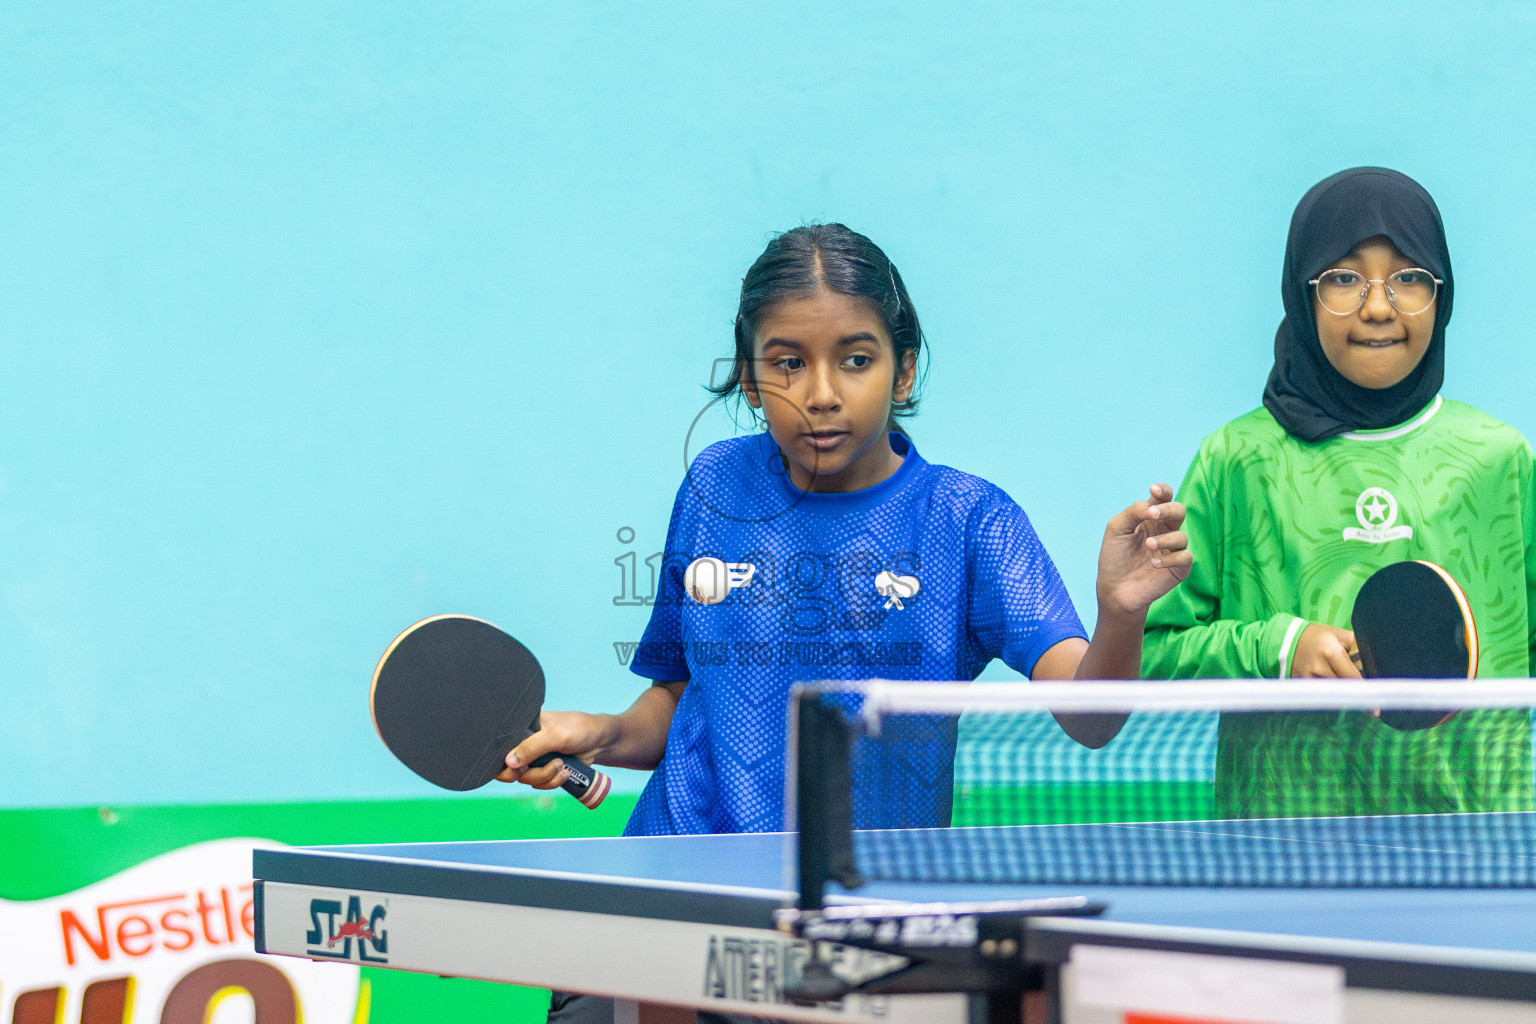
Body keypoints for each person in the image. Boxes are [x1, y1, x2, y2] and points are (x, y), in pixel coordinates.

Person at [508, 223, 1190, 1024]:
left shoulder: (967, 519)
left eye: (855, 359)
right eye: (788, 361)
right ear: (752, 380)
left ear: (903, 371)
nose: (820, 392)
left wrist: (1119, 615)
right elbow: (683, 700)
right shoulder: (714, 484)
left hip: (851, 925)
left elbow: (1092, 717)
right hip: (675, 889)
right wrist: (597, 734)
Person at [1143, 167, 1535, 818]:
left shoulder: (1502, 458)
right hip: (1282, 856)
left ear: (1443, 296)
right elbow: (1151, 656)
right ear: (1303, 293)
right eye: (1344, 278)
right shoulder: (1237, 460)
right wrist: (1278, 646)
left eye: (1410, 278)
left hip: (1480, 849)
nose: (1378, 306)